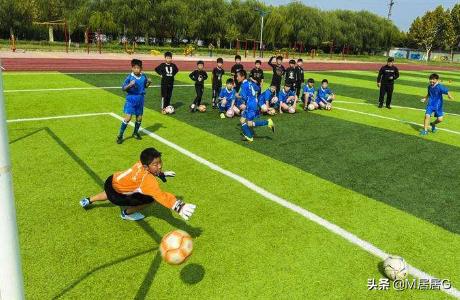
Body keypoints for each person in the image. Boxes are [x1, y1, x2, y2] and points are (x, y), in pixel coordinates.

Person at [79, 148, 196, 221]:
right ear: (146, 166)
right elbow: (160, 195)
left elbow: (148, 171)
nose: (159, 166)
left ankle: (88, 200)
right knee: (150, 200)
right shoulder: (147, 180)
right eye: (156, 164)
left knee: (110, 192)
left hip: (111, 181)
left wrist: (161, 174)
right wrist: (178, 206)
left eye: (160, 162)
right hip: (117, 196)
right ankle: (126, 214)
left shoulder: (141, 163)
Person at [117, 59, 152, 144]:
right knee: (128, 118)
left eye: (138, 68)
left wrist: (149, 83)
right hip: (131, 99)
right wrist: (130, 85)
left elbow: (145, 86)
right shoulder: (129, 77)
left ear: (141, 68)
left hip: (140, 99)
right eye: (135, 68)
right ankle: (120, 135)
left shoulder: (144, 76)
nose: (136, 69)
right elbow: (123, 88)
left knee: (139, 118)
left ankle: (135, 132)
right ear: (132, 68)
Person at [237, 70, 275, 142]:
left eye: (238, 76)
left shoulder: (243, 85)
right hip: (253, 102)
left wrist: (238, 96)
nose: (237, 78)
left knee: (249, 123)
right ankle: (249, 136)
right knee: (242, 120)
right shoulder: (250, 83)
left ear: (243, 77)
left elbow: (244, 97)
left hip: (250, 105)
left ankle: (267, 123)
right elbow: (258, 88)